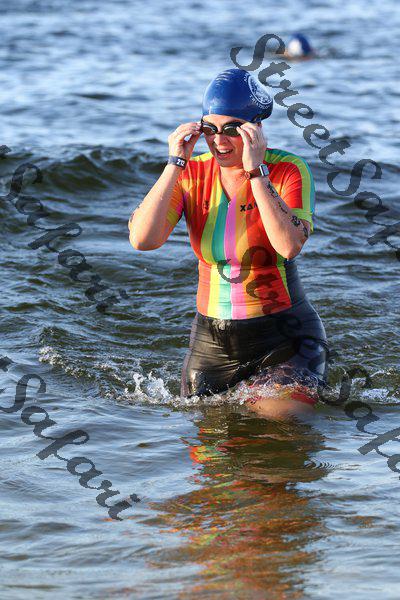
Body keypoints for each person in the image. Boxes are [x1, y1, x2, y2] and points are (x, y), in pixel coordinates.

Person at [129, 68, 328, 419]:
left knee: (279, 420)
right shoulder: (191, 172)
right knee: (210, 439)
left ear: (256, 128)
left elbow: (289, 245)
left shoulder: (287, 170)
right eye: (210, 129)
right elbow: (143, 240)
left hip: (283, 338)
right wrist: (175, 163)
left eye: (233, 129)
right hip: (212, 342)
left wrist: (256, 173)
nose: (219, 141)